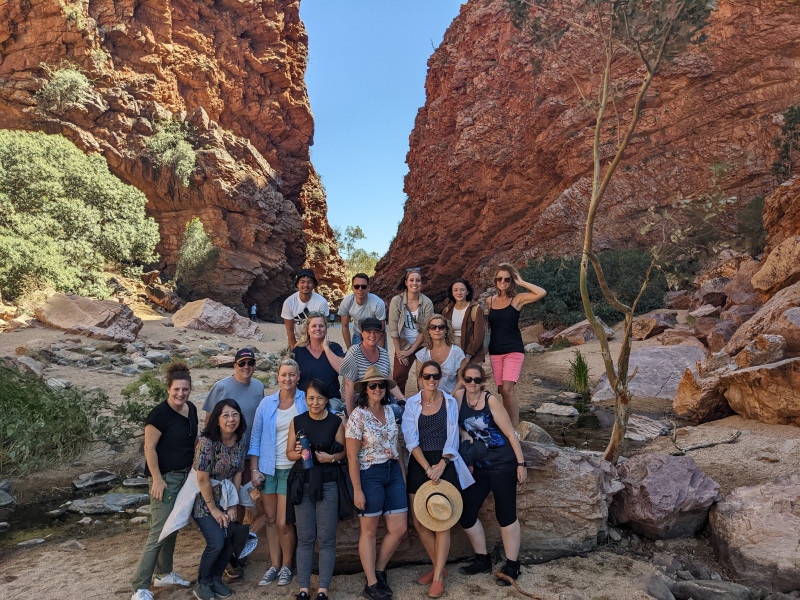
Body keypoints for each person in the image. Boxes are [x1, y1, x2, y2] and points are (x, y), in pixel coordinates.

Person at [402, 360, 474, 598]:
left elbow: (453, 435)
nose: (431, 380)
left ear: (440, 378)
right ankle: (439, 570)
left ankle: (437, 576)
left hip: (445, 460)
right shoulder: (412, 404)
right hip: (420, 461)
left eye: (435, 376)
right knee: (420, 522)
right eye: (427, 376)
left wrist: (441, 464)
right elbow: (410, 440)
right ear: (420, 378)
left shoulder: (450, 402)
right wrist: (427, 467)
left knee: (443, 519)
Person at [454, 363, 527, 586]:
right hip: (480, 465)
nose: (473, 384)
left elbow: (510, 434)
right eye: (468, 379)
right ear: (463, 380)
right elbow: (449, 420)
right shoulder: (457, 397)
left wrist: (521, 463)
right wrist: (463, 432)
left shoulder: (490, 401)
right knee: (466, 512)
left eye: (477, 380)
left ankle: (513, 565)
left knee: (505, 514)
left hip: (503, 462)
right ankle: (482, 559)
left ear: (483, 382)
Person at [131, 362, 198, 600]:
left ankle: (164, 573)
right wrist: (157, 480)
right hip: (165, 479)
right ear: (168, 389)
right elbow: (149, 448)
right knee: (158, 531)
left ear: (190, 389)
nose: (181, 394)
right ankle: (140, 586)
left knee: (173, 527)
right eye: (177, 390)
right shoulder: (159, 415)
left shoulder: (190, 409)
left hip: (184, 476)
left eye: (185, 389)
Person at [345, 366, 408, 600]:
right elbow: (352, 456)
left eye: (381, 385)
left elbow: (397, 445)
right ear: (365, 389)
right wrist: (357, 490)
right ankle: (371, 583)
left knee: (398, 528)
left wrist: (401, 474)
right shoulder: (357, 416)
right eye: (373, 385)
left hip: (392, 472)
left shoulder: (391, 411)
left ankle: (379, 570)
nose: (378, 389)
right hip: (369, 473)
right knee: (369, 531)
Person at [285, 379, 347, 600]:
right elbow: (289, 453)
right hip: (304, 483)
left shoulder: (335, 422)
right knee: (305, 537)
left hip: (328, 482)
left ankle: (323, 590)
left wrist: (330, 458)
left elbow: (343, 453)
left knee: (327, 538)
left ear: (326, 399)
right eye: (311, 398)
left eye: (319, 398)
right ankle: (303, 588)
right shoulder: (297, 421)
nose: (315, 402)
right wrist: (301, 453)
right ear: (306, 399)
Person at [249, 358, 307, 587]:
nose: (287, 379)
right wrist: (254, 469)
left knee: (284, 522)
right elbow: (255, 437)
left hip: (291, 470)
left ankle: (286, 565)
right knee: (271, 520)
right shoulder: (267, 403)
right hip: (267, 468)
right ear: (278, 376)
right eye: (284, 374)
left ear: (298, 376)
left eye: (292, 374)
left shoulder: (304, 400)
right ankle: (274, 565)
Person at [191, 399, 247, 600]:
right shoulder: (207, 443)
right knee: (216, 541)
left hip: (226, 499)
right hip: (204, 501)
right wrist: (214, 509)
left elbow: (238, 474)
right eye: (226, 415)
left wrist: (232, 505)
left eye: (235, 414)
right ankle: (203, 582)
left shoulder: (239, 442)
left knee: (230, 538)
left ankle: (216, 578)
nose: (231, 419)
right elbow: (202, 478)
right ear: (217, 419)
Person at [487, 263, 546, 426]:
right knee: (502, 391)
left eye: (507, 278)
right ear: (495, 281)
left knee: (507, 390)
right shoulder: (489, 301)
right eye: (499, 278)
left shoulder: (517, 300)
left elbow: (542, 292)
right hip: (495, 351)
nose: (503, 281)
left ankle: (513, 428)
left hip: (513, 349)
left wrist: (521, 281)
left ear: (511, 281)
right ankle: (507, 425)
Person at [340, 317, 405, 416]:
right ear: (362, 333)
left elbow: (389, 381)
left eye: (376, 332)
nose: (372, 335)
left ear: (381, 334)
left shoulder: (383, 353)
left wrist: (402, 399)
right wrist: (350, 416)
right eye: (368, 332)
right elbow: (349, 386)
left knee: (405, 410)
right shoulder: (354, 353)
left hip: (378, 398)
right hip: (358, 401)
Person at [388, 268, 434, 395]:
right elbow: (393, 329)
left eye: (418, 280)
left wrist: (411, 351)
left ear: (422, 284)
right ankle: (399, 404)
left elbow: (424, 330)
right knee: (398, 376)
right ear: (406, 282)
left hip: (422, 344)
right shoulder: (396, 301)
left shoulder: (427, 303)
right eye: (412, 280)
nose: (415, 283)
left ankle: (425, 403)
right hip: (403, 344)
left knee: (424, 377)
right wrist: (399, 352)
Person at [293, 314, 345, 414]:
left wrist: (326, 348)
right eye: (314, 326)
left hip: (331, 399)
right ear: (308, 330)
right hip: (306, 400)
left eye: (321, 326)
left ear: (326, 329)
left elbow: (342, 370)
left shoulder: (335, 348)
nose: (318, 329)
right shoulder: (298, 351)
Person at [415, 315, 467, 395]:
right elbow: (420, 380)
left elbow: (461, 380)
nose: (437, 330)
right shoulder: (422, 354)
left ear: (446, 330)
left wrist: (451, 397)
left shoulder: (457, 352)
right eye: (433, 327)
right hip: (430, 398)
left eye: (441, 327)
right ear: (428, 331)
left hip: (452, 397)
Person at [441, 278, 486, 366]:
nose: (459, 293)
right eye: (456, 290)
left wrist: (468, 355)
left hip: (472, 352)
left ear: (467, 292)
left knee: (471, 378)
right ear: (452, 293)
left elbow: (478, 336)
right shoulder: (447, 311)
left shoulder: (476, 309)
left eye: (462, 290)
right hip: (453, 351)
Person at [281, 268, 330, 349]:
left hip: (315, 341)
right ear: (297, 284)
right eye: (302, 282)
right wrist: (294, 350)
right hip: (296, 341)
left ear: (314, 284)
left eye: (309, 282)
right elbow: (290, 332)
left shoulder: (321, 302)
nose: (306, 285)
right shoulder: (289, 302)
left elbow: (323, 330)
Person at [338, 273, 387, 350]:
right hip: (358, 333)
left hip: (375, 334)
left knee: (379, 359)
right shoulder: (347, 302)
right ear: (352, 288)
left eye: (363, 286)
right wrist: (349, 349)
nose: (360, 289)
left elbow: (382, 330)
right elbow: (345, 326)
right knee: (356, 359)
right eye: (356, 286)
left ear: (368, 288)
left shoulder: (377, 303)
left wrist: (381, 353)